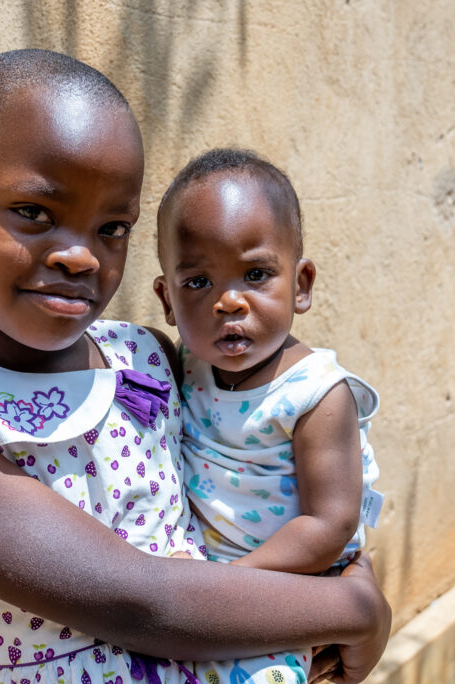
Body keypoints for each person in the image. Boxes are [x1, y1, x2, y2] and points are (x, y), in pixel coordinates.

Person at [0, 49, 390, 684]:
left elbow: (267, 469)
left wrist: (342, 557)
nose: (82, 257)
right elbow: (140, 601)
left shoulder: (146, 359)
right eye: (34, 213)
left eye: (113, 227)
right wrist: (352, 608)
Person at [153, 149, 383, 579]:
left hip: (295, 585)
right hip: (208, 580)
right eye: (199, 282)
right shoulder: (183, 366)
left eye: (255, 274)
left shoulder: (316, 395)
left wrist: (229, 581)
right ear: (168, 300)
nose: (229, 302)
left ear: (301, 285)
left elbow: (330, 525)